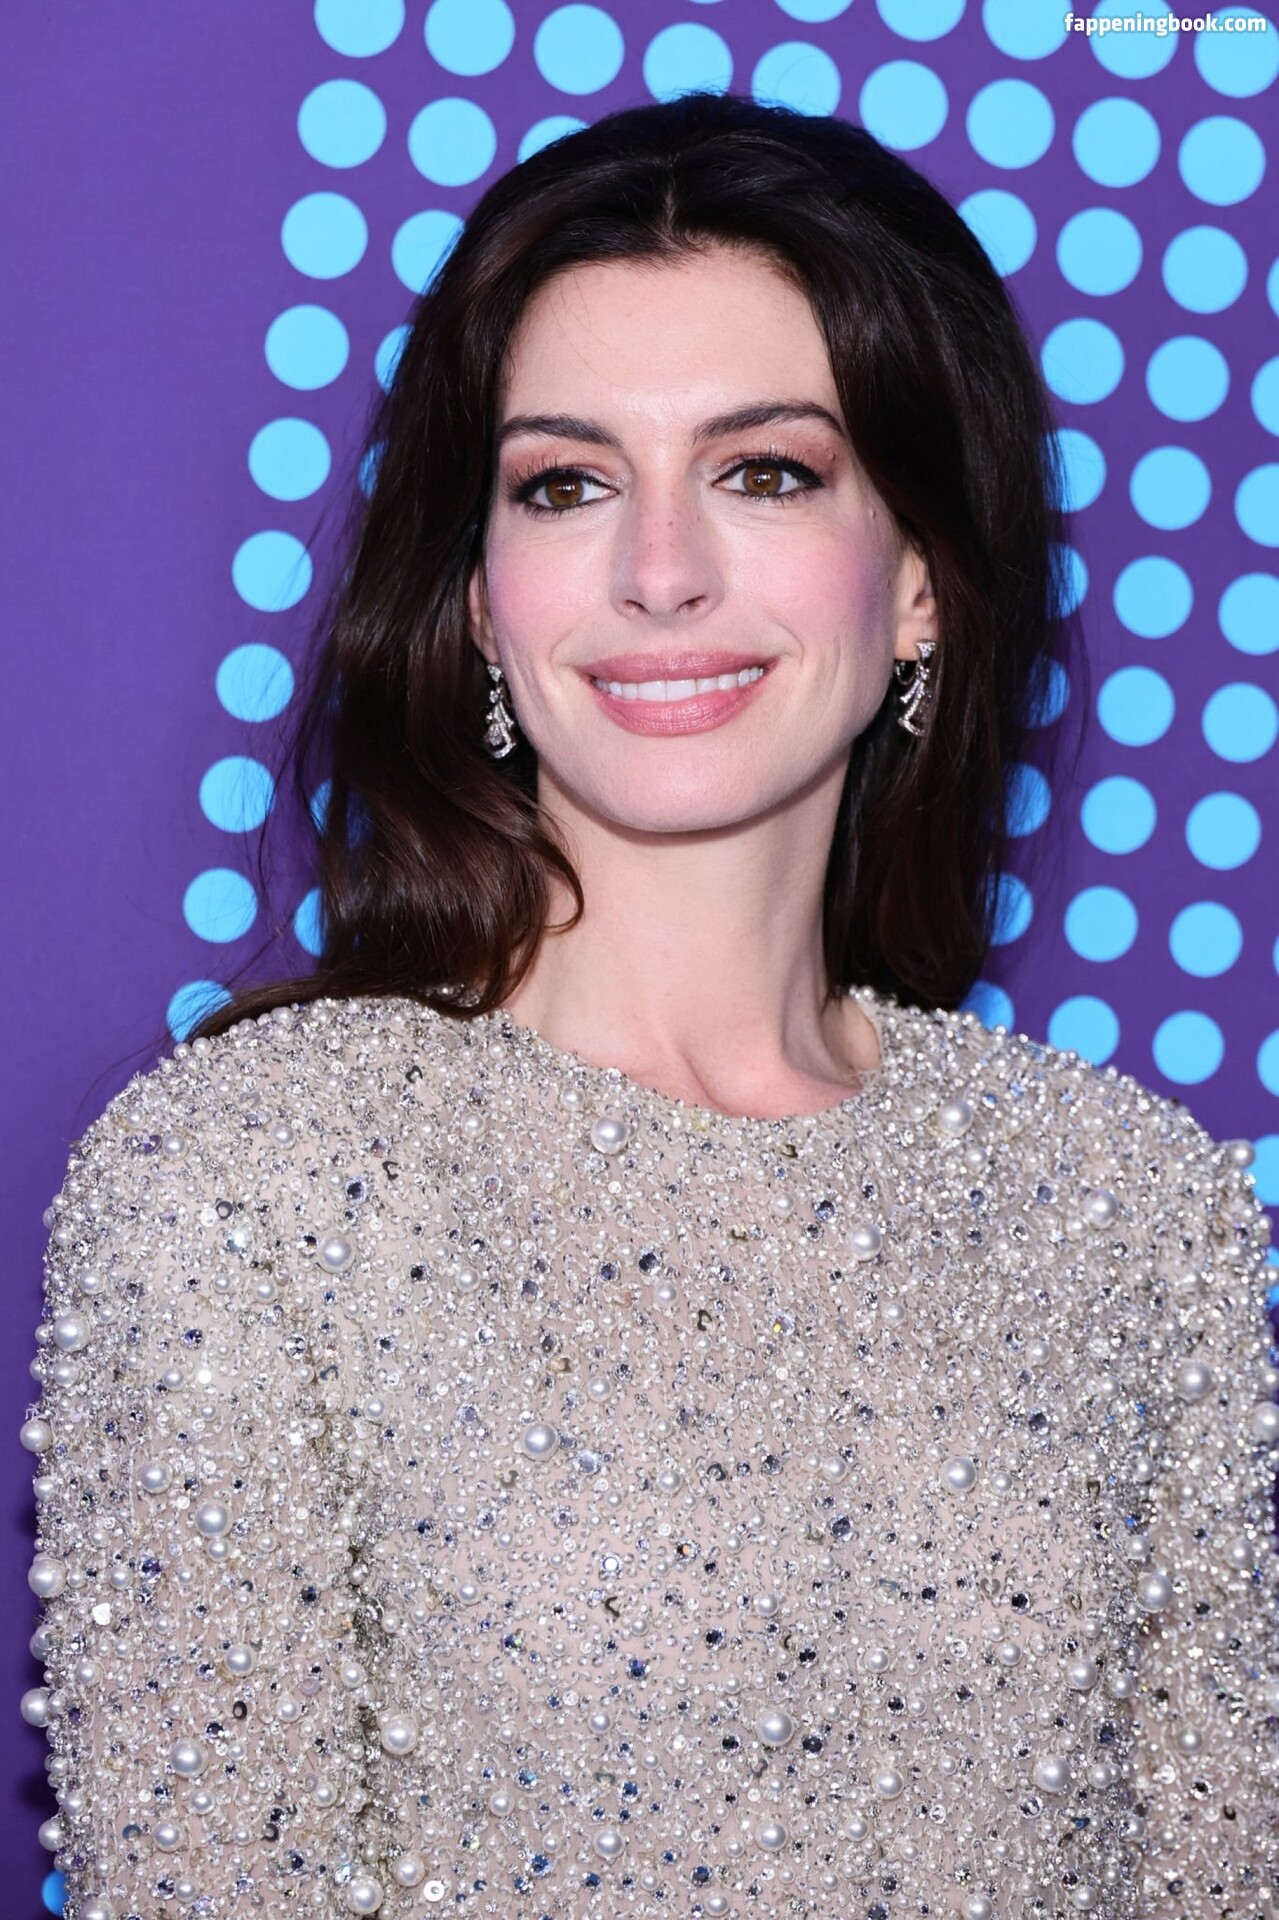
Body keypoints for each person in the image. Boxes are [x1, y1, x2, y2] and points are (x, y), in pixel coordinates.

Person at [22, 92, 1279, 1920]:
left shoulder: (1136, 1212)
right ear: (479, 600)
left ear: (923, 583)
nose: (660, 569)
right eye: (566, 483)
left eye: (766, 472)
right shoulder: (243, 1190)